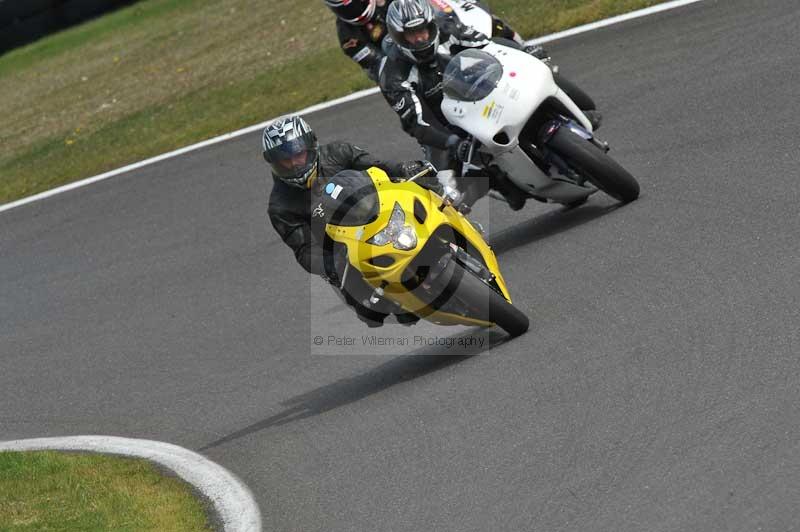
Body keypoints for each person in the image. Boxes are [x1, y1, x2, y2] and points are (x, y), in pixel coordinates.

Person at [379, 0, 601, 210]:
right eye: (411, 35)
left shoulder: (446, 28)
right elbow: (418, 123)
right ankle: (501, 184)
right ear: (399, 38)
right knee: (448, 193)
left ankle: (571, 114)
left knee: (536, 73)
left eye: (422, 30)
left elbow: (489, 45)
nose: (420, 38)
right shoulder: (393, 75)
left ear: (431, 24)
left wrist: (525, 53)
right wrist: (453, 143)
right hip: (445, 124)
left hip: (477, 88)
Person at [263, 115, 429, 327]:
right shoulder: (280, 207)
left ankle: (453, 209)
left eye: (299, 155)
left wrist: (404, 168)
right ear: (275, 164)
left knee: (425, 183)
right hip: (346, 248)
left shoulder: (339, 152)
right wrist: (333, 262)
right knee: (372, 312)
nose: (295, 164)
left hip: (381, 210)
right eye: (286, 161)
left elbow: (378, 166)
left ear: (311, 147)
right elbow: (304, 250)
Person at [323, 0, 546, 83]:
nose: (354, 11)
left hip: (432, 36)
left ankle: (523, 48)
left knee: (483, 20)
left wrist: (454, 19)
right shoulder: (349, 37)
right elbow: (379, 69)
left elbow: (436, 8)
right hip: (411, 68)